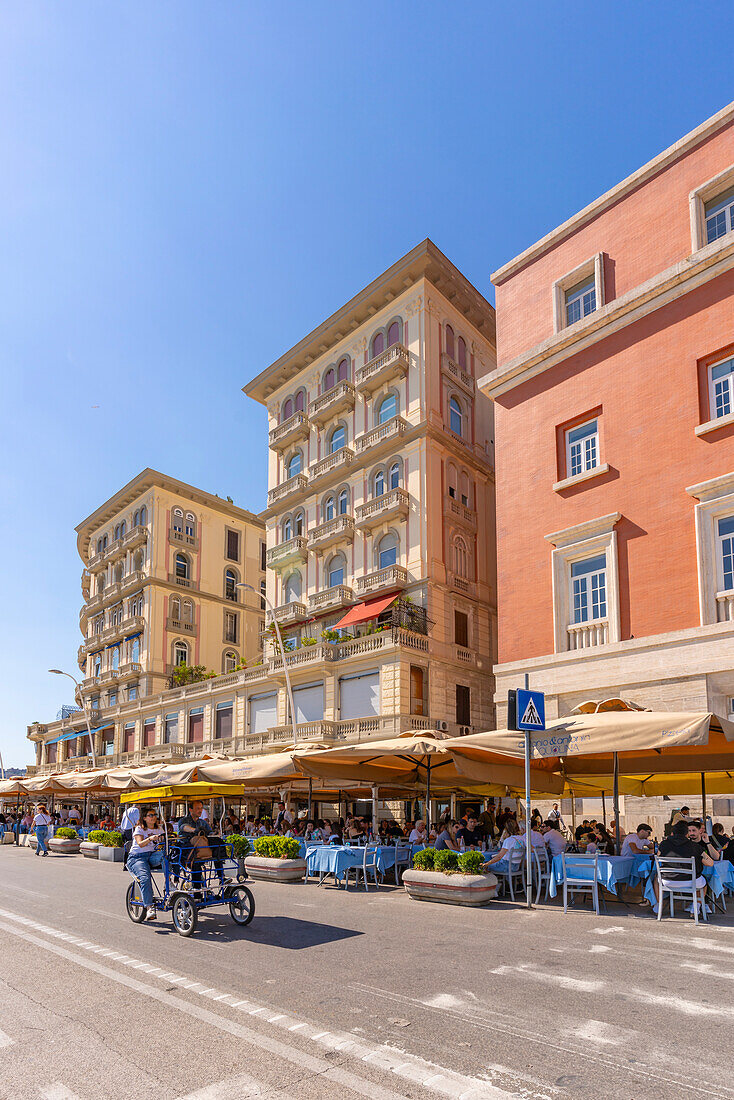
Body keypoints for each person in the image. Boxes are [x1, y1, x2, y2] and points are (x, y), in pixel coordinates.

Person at [657, 819, 714, 915]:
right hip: (690, 881)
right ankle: (696, 907)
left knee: (655, 877)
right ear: (686, 834)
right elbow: (710, 863)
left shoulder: (663, 844)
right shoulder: (694, 846)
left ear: (672, 833)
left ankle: (658, 907)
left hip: (667, 881)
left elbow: (658, 858)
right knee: (704, 882)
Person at [178, 800, 231, 891]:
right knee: (196, 863)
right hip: (188, 850)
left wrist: (216, 833)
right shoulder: (184, 820)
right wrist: (194, 830)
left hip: (202, 848)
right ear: (191, 809)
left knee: (217, 845)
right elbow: (183, 827)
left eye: (201, 808)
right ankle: (197, 891)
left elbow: (210, 832)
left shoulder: (202, 822)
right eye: (197, 808)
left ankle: (221, 878)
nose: (200, 810)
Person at [127, 807, 165, 921]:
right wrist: (150, 838)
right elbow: (140, 844)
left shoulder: (159, 828)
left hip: (152, 855)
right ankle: (149, 907)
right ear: (144, 818)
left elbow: (165, 840)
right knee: (144, 878)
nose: (153, 817)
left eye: (154, 815)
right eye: (150, 815)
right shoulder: (139, 829)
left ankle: (170, 883)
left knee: (169, 856)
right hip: (137, 857)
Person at [120, 802, 140, 869]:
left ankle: (125, 864)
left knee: (127, 848)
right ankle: (130, 864)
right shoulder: (136, 810)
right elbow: (137, 821)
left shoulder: (127, 810)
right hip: (130, 830)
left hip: (123, 830)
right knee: (132, 848)